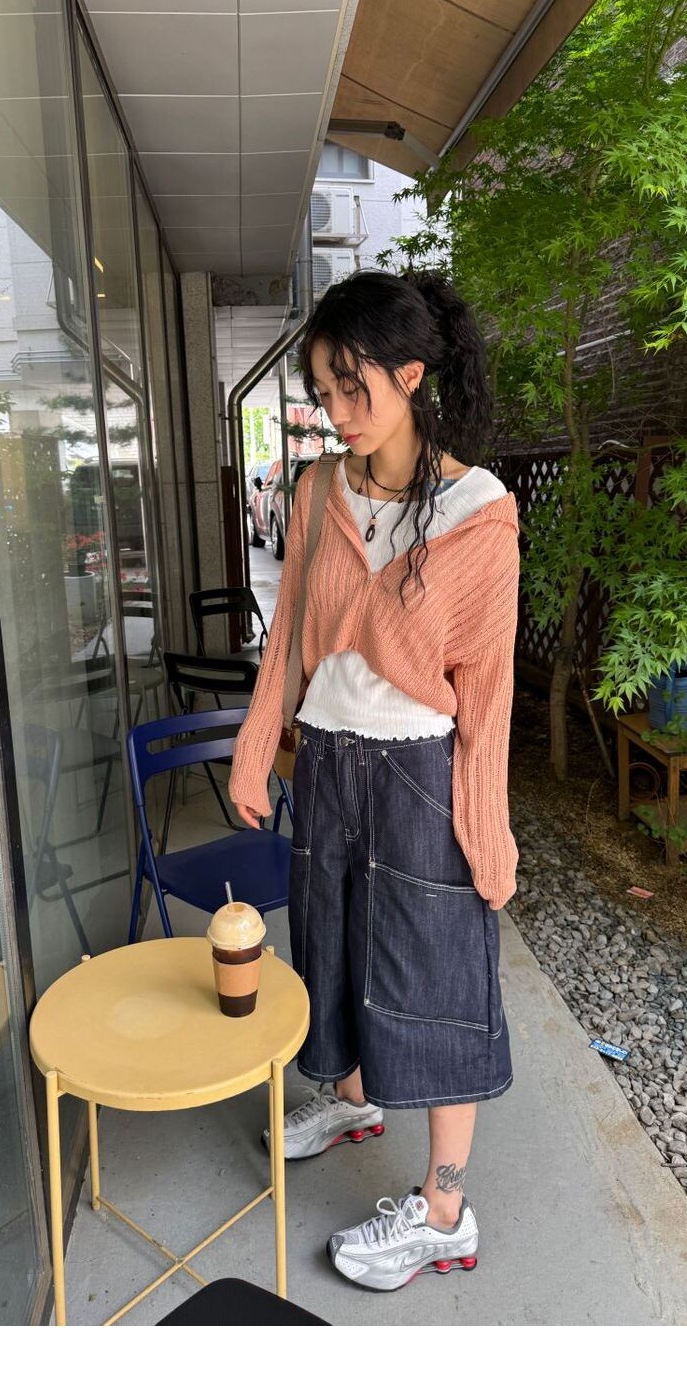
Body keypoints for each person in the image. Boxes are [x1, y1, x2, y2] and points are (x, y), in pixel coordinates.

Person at [228, 274, 518, 1294]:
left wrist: (486, 829)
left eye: (353, 388)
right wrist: (256, 748)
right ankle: (353, 1100)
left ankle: (443, 1209)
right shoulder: (317, 491)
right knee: (332, 943)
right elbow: (287, 641)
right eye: (323, 391)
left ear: (411, 374)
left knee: (435, 975)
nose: (337, 412)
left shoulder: (479, 514)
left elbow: (488, 693)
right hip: (327, 760)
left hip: (417, 774)